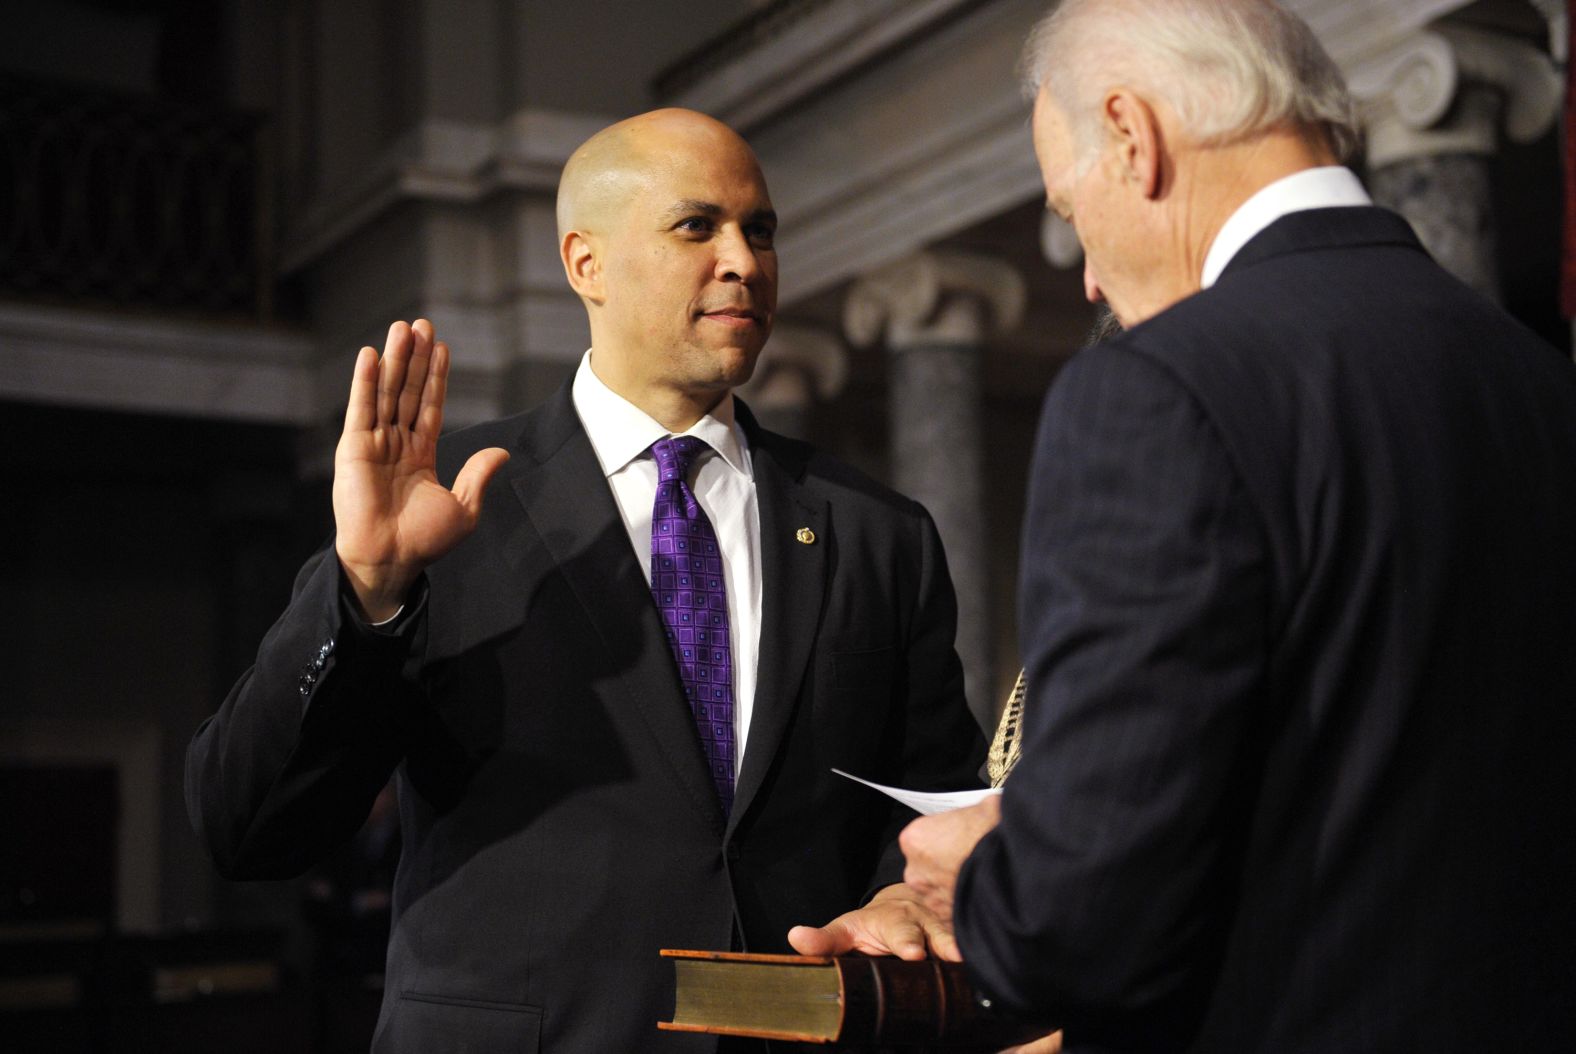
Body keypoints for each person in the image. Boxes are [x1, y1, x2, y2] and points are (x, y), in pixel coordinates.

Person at [799, 2, 1576, 1051]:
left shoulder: (1159, 387)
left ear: (1131, 133)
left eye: (1072, 211)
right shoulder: (1535, 376)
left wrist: (983, 870)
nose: (1083, 274)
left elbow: (1074, 930)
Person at [186, 107, 983, 1053]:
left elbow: (932, 806)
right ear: (585, 263)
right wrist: (366, 589)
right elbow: (245, 826)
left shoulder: (877, 531)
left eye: (759, 229)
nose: (744, 260)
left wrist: (908, 888)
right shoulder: (449, 503)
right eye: (698, 226)